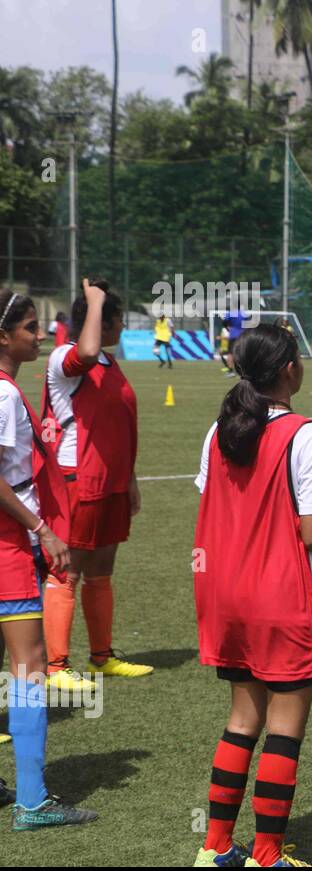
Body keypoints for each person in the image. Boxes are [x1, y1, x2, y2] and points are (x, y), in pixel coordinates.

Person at [193, 325, 312, 867]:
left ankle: (213, 849)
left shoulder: (219, 432)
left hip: (227, 599)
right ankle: (267, 854)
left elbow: (216, 506)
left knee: (241, 720)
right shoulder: (305, 436)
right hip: (285, 600)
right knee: (284, 729)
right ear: (288, 372)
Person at [0, 286, 97, 829]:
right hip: (8, 545)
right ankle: (32, 801)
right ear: (3, 336)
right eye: (30, 327)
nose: (40, 335)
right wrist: (42, 529)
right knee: (30, 667)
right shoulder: (5, 394)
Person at [41, 280, 153, 694]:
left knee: (102, 572)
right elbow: (83, 352)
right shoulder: (64, 359)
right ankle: (56, 665)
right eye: (118, 319)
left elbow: (120, 427)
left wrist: (130, 478)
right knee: (67, 572)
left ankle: (102, 657)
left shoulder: (108, 362)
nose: (123, 326)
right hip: (77, 479)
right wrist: (95, 301)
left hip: (112, 483)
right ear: (101, 322)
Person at [222, 309, 246, 377]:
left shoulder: (231, 313)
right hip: (242, 335)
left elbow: (224, 321)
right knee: (242, 353)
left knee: (230, 354)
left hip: (233, 335)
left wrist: (227, 328)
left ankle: (230, 371)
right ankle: (242, 371)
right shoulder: (243, 313)